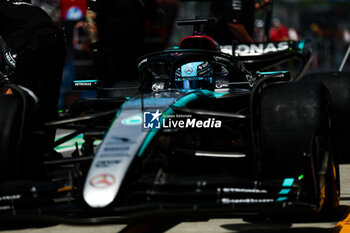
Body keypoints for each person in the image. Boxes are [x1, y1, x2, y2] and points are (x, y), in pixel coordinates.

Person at [0, 0, 66, 122]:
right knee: (49, 102)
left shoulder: (3, 7)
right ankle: (46, 137)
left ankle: (16, 134)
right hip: (58, 46)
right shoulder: (33, 9)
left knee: (19, 96)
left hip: (35, 45)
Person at [86, 0, 164, 95]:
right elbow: (90, 18)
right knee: (110, 95)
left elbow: (157, 23)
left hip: (136, 56)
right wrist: (95, 49)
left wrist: (153, 9)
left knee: (136, 94)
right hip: (110, 55)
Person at [204, 0, 271, 44]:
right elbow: (234, 25)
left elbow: (243, 9)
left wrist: (261, 5)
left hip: (233, 44)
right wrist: (252, 45)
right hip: (223, 44)